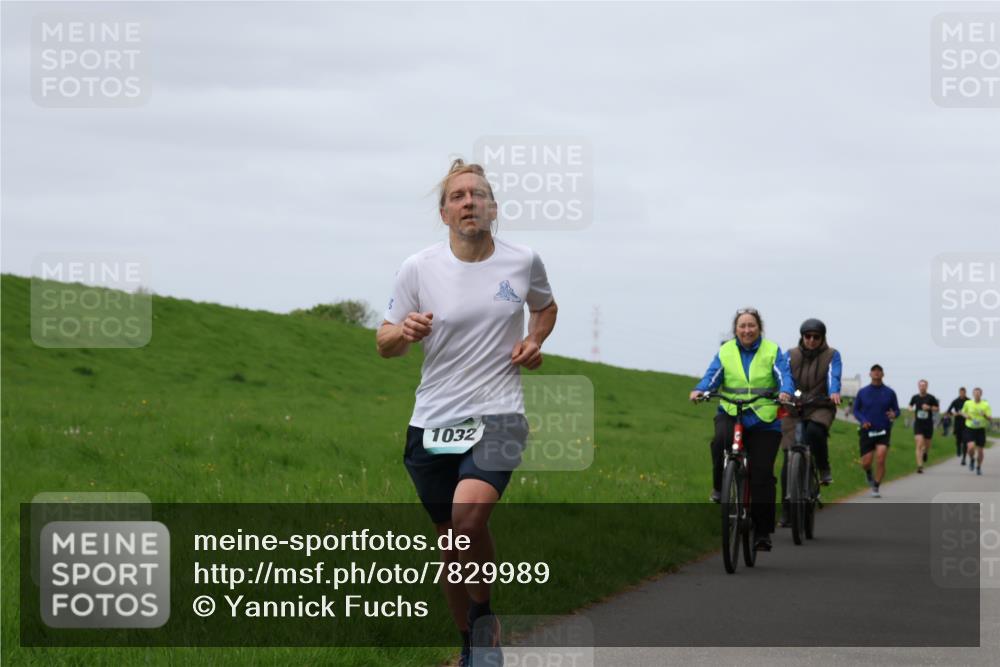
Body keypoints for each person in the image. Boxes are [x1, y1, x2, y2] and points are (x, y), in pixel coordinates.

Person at [377, 159, 558, 666]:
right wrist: (404, 332)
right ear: (444, 213)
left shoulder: (523, 261)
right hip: (433, 419)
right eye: (458, 196)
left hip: (498, 413)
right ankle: (471, 643)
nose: (469, 202)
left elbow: (545, 306)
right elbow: (384, 342)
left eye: (478, 195)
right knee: (451, 548)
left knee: (466, 517)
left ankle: (483, 615)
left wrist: (533, 339)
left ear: (493, 208)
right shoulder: (418, 267)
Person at [690, 307, 794, 552]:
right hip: (731, 410)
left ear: (759, 328)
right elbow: (712, 375)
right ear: (735, 330)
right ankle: (720, 487)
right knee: (719, 442)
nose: (747, 330)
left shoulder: (772, 350)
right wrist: (700, 389)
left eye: (751, 326)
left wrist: (785, 390)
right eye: (742, 326)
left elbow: (784, 375)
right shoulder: (726, 351)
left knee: (762, 474)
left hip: (764, 418)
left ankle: (762, 532)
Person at [778, 318, 842, 527]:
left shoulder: (832, 355)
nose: (812, 340)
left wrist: (833, 392)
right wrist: (786, 393)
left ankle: (823, 468)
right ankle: (787, 512)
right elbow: (784, 376)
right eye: (808, 336)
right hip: (794, 406)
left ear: (822, 338)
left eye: (816, 337)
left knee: (815, 432)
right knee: (789, 456)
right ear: (802, 337)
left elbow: (834, 375)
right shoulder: (791, 355)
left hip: (820, 404)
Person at [852, 364, 900, 498]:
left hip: (883, 430)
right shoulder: (863, 392)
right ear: (870, 374)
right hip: (867, 430)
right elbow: (856, 410)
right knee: (866, 462)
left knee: (880, 458)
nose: (877, 373)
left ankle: (876, 486)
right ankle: (868, 473)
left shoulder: (890, 392)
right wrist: (863, 420)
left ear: (883, 374)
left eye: (879, 371)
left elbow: (897, 410)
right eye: (874, 371)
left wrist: (894, 415)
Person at [908, 379, 940, 474]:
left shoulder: (931, 397)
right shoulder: (915, 397)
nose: (922, 387)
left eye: (924, 385)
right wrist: (910, 409)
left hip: (928, 424)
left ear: (927, 387)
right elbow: (910, 405)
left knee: (927, 445)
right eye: (921, 385)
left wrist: (929, 407)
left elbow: (937, 408)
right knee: (919, 443)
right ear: (918, 386)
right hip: (918, 424)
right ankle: (920, 466)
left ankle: (925, 453)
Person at [961, 387, 992, 476]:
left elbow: (990, 418)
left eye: (978, 393)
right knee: (970, 447)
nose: (977, 394)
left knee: (980, 451)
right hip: (970, 428)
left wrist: (985, 415)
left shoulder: (985, 405)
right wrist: (966, 415)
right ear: (973, 394)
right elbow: (962, 412)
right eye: (975, 393)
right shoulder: (968, 403)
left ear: (981, 394)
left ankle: (978, 467)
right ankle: (972, 459)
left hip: (980, 429)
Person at [947, 387, 969, 465]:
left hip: (967, 424)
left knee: (965, 441)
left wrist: (966, 414)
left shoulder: (969, 401)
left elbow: (972, 411)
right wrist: (954, 414)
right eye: (960, 392)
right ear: (959, 393)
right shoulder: (955, 401)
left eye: (963, 392)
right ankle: (958, 448)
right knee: (958, 439)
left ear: (965, 393)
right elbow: (948, 411)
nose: (962, 394)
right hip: (958, 423)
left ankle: (964, 459)